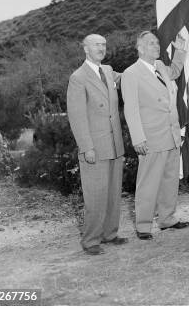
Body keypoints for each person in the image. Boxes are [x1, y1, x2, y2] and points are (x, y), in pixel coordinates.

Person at [121, 31, 189, 240]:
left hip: (171, 132)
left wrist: (178, 50)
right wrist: (138, 138)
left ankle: (166, 218)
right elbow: (131, 109)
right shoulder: (131, 73)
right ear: (140, 48)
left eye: (157, 42)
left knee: (170, 180)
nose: (156, 46)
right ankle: (143, 225)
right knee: (148, 182)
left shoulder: (160, 66)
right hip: (150, 137)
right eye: (150, 43)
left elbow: (176, 71)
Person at [66, 34, 126, 255]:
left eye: (104, 44)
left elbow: (132, 77)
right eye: (96, 45)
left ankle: (110, 234)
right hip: (94, 147)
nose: (101, 48)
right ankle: (91, 241)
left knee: (113, 193)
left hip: (114, 144)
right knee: (95, 196)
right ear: (85, 49)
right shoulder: (78, 77)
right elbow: (77, 116)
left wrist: (154, 61)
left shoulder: (109, 71)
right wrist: (86, 147)